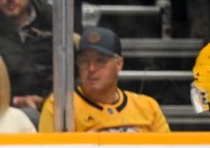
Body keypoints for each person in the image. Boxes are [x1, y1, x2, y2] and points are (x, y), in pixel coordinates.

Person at [38, 27, 169, 133]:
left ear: (119, 64)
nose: (91, 68)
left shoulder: (148, 107)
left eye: (100, 60)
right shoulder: (60, 107)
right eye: (84, 60)